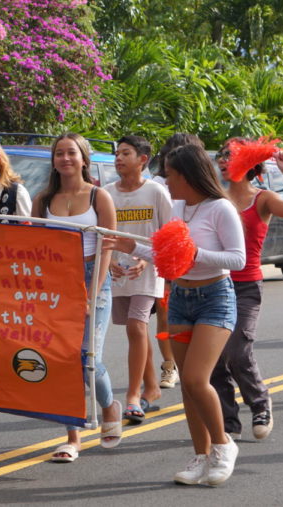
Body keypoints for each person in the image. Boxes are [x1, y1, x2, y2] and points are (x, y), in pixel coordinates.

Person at [105, 144, 245, 486]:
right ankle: (201, 456)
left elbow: (237, 259)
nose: (165, 181)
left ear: (187, 175)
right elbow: (164, 253)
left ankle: (223, 446)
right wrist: (131, 247)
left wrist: (196, 252)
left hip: (215, 298)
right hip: (181, 296)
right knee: (187, 387)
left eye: (169, 175)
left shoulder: (221, 209)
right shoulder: (179, 207)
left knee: (198, 379)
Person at [32, 133, 121, 463]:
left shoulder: (100, 197)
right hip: (57, 281)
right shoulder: (42, 199)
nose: (65, 158)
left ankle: (110, 405)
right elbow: (36, 249)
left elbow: (108, 246)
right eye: (59, 153)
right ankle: (72, 436)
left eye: (71, 153)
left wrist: (92, 292)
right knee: (63, 361)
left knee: (88, 357)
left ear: (84, 159)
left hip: (93, 276)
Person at [211, 139, 283, 441]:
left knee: (238, 350)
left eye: (231, 155)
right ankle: (228, 421)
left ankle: (260, 402)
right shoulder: (215, 198)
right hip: (214, 284)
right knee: (212, 359)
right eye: (221, 155)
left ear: (249, 163)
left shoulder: (262, 198)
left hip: (247, 285)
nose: (223, 160)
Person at [104, 135, 170, 423]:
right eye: (117, 154)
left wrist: (147, 257)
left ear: (143, 159)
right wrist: (108, 265)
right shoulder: (106, 193)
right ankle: (152, 387)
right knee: (135, 331)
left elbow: (169, 235)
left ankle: (133, 396)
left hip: (148, 271)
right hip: (117, 272)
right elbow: (102, 235)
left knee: (136, 325)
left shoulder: (156, 192)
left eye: (125, 153)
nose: (119, 158)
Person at [151, 133, 205, 392]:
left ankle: (196, 367)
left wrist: (194, 253)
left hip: (199, 269)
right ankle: (169, 365)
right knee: (165, 314)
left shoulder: (208, 193)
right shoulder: (158, 184)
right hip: (167, 262)